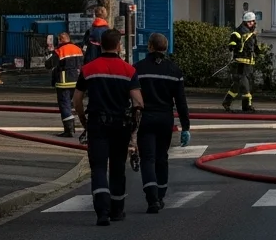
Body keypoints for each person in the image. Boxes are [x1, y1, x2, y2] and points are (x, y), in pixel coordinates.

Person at [73, 28, 143, 226]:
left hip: (97, 124)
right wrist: (134, 131)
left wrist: (84, 121)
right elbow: (138, 103)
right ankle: (117, 210)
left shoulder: (88, 69)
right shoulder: (129, 70)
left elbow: (77, 100)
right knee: (118, 167)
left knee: (98, 168)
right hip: (120, 125)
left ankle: (102, 211)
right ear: (119, 46)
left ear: (101, 45)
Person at [134, 32, 192, 213]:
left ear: (149, 46)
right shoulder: (174, 70)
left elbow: (131, 97)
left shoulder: (138, 69)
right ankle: (160, 194)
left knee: (147, 158)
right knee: (161, 157)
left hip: (145, 118)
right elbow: (181, 101)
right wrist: (185, 127)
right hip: (165, 118)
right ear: (166, 48)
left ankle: (152, 198)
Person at [44, 31, 83, 137]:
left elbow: (49, 64)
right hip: (77, 81)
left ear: (60, 40)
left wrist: (49, 55)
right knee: (76, 104)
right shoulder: (78, 49)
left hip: (64, 82)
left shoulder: (60, 50)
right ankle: (80, 126)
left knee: (65, 105)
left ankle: (69, 130)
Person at [222, 12, 258, 113]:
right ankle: (247, 107)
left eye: (252, 21)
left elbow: (254, 47)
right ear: (245, 22)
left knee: (237, 85)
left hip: (248, 64)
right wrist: (237, 46)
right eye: (249, 21)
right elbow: (231, 46)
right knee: (246, 86)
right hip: (240, 64)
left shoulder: (252, 34)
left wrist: (259, 52)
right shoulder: (237, 33)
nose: (251, 23)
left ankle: (226, 102)